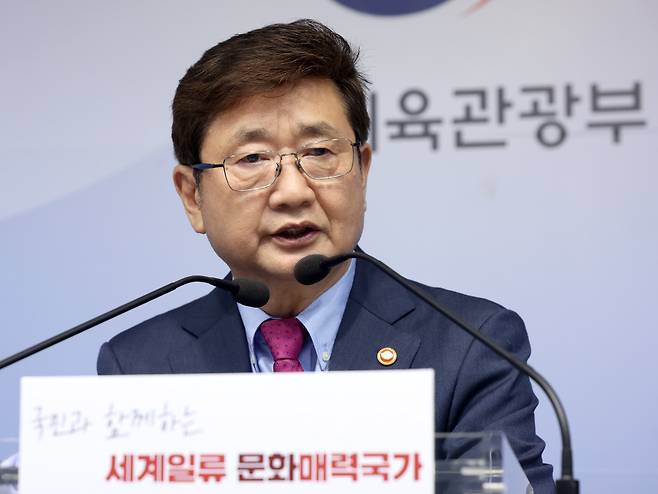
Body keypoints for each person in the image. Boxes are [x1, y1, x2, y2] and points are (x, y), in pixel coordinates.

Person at [97, 19, 555, 493]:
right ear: (192, 196)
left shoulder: (470, 345)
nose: (293, 191)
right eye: (252, 159)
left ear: (362, 170)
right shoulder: (139, 366)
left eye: (319, 152)